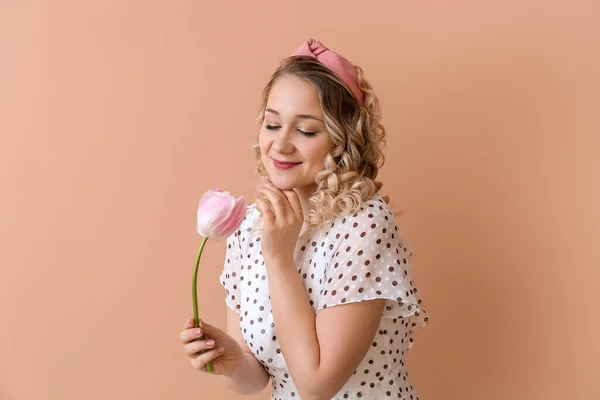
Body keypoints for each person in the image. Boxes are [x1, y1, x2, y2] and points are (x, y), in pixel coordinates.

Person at [179, 38, 429, 400]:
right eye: (272, 125)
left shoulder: (364, 224)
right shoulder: (249, 226)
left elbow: (316, 387)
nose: (280, 145)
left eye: (306, 130)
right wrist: (231, 359)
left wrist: (279, 258)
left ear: (342, 140)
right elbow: (257, 380)